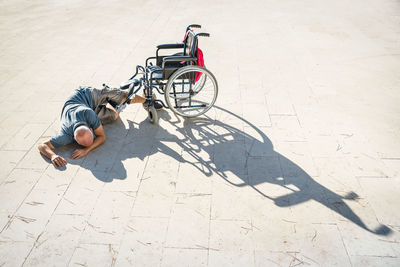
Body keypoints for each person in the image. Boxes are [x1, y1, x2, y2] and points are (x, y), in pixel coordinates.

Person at [38, 86, 160, 167]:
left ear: (91, 129)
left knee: (124, 96)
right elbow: (42, 145)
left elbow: (102, 137)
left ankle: (147, 101)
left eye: (93, 135)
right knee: (114, 116)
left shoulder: (88, 114)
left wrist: (86, 150)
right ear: (74, 139)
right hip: (81, 107)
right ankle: (115, 105)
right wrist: (52, 156)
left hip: (87, 95)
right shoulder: (66, 136)